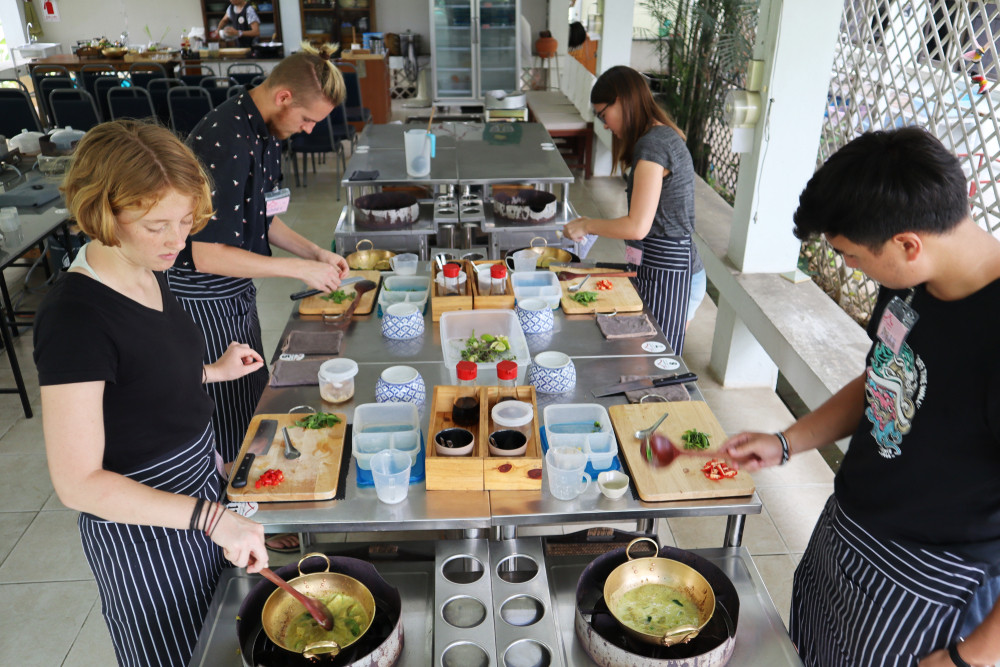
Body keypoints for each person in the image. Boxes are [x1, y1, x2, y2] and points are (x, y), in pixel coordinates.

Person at [722, 127, 1000, 667]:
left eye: (850, 256)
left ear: (907, 244)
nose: (851, 267)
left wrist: (976, 656)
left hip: (931, 578)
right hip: (848, 527)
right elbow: (883, 377)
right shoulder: (912, 279)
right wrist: (787, 442)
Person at [33, 120, 269, 667]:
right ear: (103, 212)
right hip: (145, 538)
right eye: (158, 224)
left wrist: (211, 371)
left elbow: (139, 377)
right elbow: (77, 484)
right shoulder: (75, 317)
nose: (178, 241)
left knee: (226, 645)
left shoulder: (148, 267)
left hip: (201, 496)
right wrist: (210, 518)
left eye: (185, 222)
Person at [168, 45, 349, 467]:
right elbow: (207, 253)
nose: (308, 131)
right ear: (283, 96)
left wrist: (316, 252)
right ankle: (238, 509)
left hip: (235, 291)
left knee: (254, 393)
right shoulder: (225, 138)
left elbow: (264, 220)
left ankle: (256, 498)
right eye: (307, 119)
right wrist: (296, 268)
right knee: (228, 408)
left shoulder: (267, 132)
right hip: (202, 297)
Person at [563, 65, 706, 355]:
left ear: (623, 100)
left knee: (654, 359)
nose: (605, 125)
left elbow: (637, 226)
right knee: (650, 356)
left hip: (671, 271)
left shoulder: (654, 146)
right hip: (662, 266)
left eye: (605, 115)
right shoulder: (659, 137)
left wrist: (588, 225)